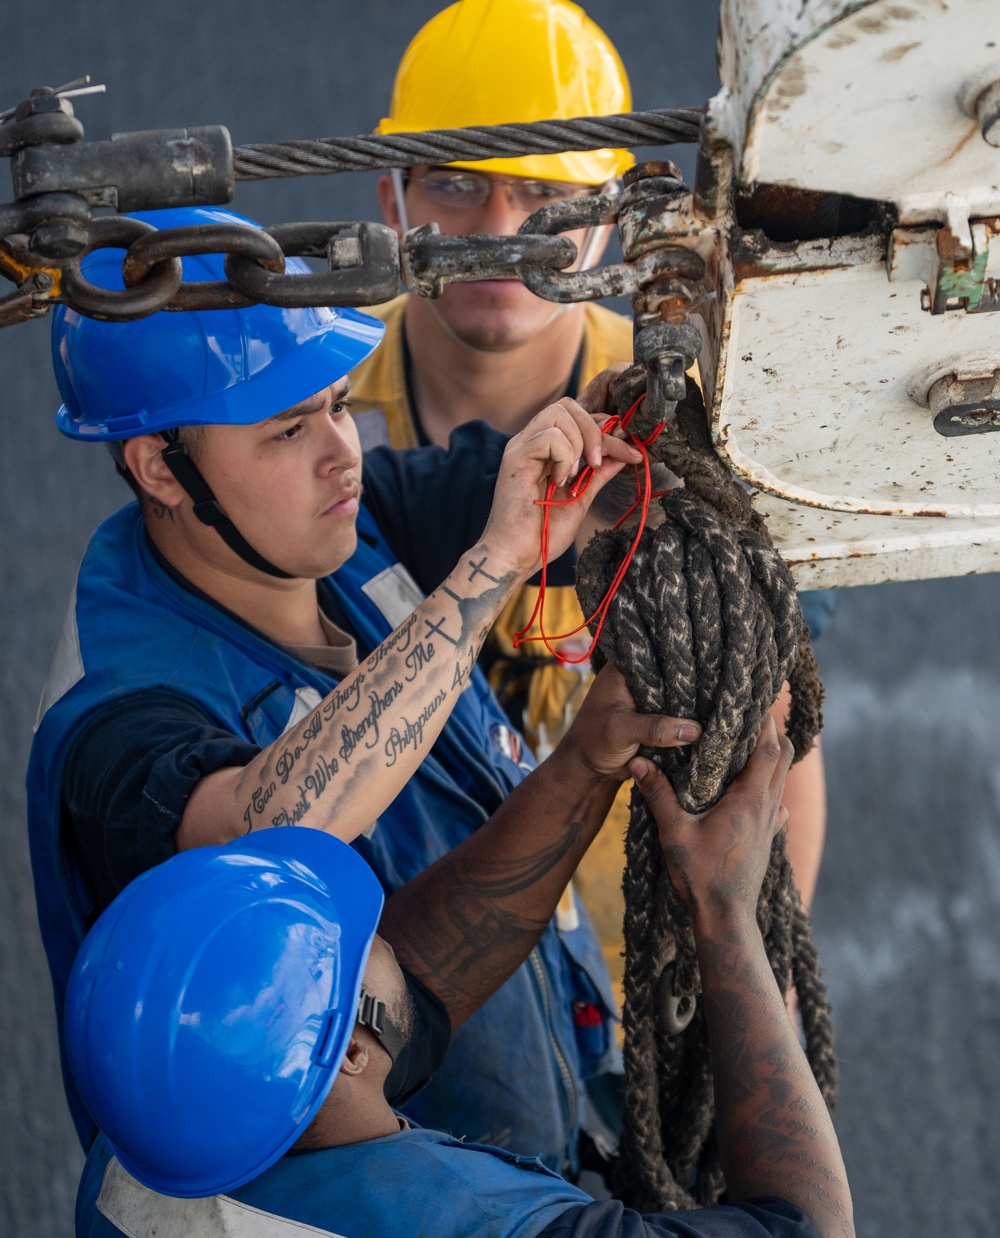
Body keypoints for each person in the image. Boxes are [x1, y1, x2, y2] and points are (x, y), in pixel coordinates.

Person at [27, 204, 699, 1174]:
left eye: (340, 401)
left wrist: (622, 424)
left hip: (541, 1140)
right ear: (160, 470)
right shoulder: (118, 718)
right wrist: (492, 565)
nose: (340, 451)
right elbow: (266, 824)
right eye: (289, 427)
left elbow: (562, 488)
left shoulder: (337, 520)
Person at [350, 0, 834, 1004]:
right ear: (394, 197)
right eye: (457, 185)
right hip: (389, 970)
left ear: (610, 212)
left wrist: (750, 988)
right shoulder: (312, 416)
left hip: (625, 977)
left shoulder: (698, 414)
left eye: (543, 194)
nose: (498, 232)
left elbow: (777, 732)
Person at [68, 718, 854, 1238]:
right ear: (346, 1053)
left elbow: (419, 985)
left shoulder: (151, 1133)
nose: (384, 933)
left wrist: (583, 764)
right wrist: (724, 911)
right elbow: (806, 1225)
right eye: (361, 938)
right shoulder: (470, 1222)